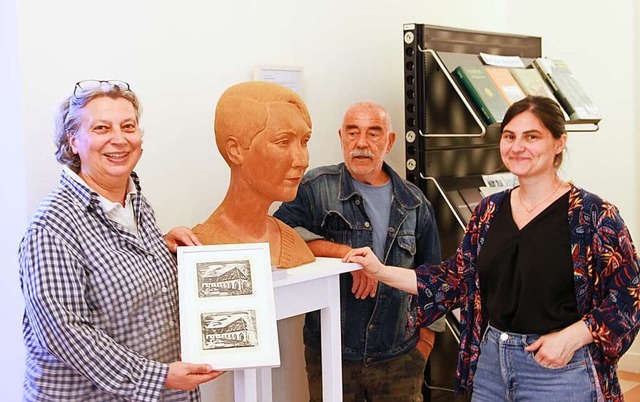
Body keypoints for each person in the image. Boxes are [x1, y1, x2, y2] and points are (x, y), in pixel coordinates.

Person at [345, 96, 640, 402]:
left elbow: (630, 293)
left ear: (559, 143)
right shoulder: (489, 210)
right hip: (491, 367)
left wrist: (573, 336)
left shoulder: (594, 214)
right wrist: (379, 271)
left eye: (532, 137)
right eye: (509, 136)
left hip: (560, 368)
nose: (517, 146)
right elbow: (453, 279)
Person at [18, 80, 224, 401]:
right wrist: (159, 377)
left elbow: (121, 279)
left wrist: (161, 246)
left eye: (128, 126)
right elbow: (64, 333)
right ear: (73, 141)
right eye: (101, 128)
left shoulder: (136, 204)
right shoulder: (52, 225)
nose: (119, 139)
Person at [274, 101, 443, 401]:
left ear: (390, 141)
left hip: (400, 356)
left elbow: (434, 280)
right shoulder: (314, 188)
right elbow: (278, 235)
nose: (361, 143)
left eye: (373, 133)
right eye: (352, 133)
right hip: (331, 354)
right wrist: (344, 255)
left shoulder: (414, 203)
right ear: (341, 138)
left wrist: (424, 345)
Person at [191, 81, 315, 268]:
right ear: (236, 150)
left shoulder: (292, 242)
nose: (302, 160)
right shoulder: (203, 249)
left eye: (304, 142)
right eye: (283, 142)